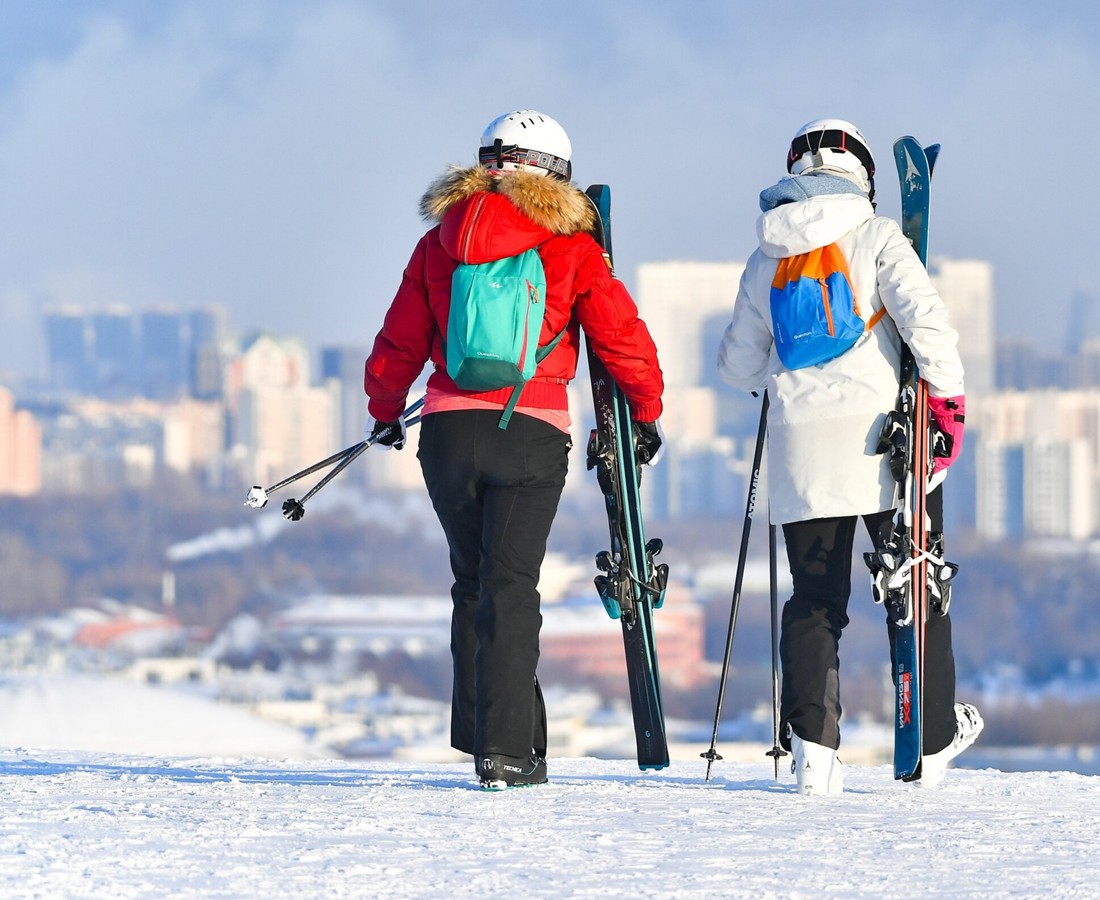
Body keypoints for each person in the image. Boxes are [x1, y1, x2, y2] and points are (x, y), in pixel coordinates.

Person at [364, 109, 665, 789]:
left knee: (472, 583)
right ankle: (504, 752)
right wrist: (645, 412)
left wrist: (385, 411)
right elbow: (621, 339)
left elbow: (399, 340)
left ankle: (489, 735)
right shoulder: (573, 247)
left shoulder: (440, 242)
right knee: (510, 585)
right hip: (529, 433)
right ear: (557, 172)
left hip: (445, 433)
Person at [717, 118, 982, 794]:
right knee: (915, 580)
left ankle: (814, 754)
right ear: (863, 172)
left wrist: (786, 374)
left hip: (801, 448)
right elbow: (929, 326)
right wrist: (947, 406)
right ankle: (929, 736)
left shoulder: (765, 256)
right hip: (886, 442)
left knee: (814, 600)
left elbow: (738, 366)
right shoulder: (877, 237)